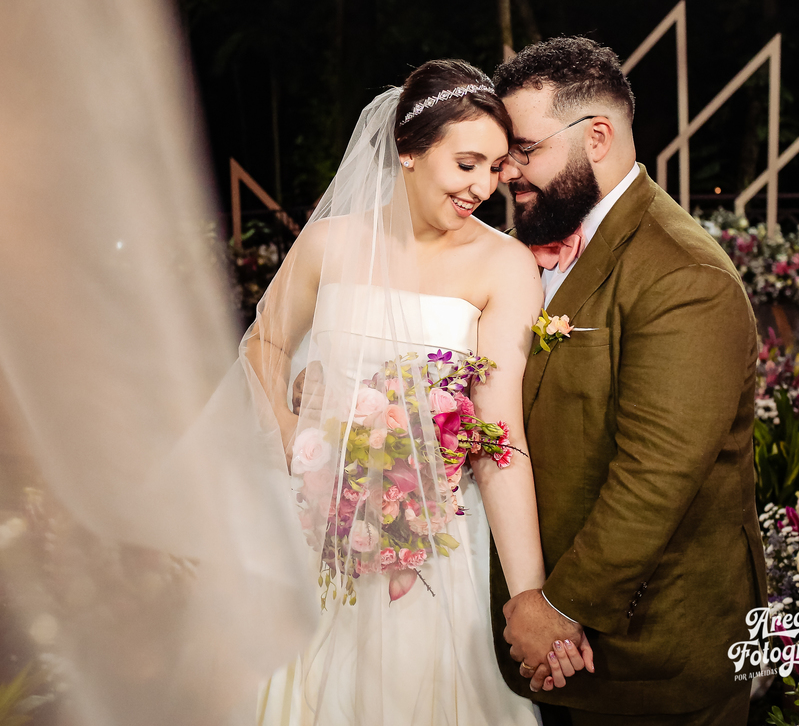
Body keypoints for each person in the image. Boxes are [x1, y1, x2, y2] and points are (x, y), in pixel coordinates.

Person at [250, 58, 589, 725]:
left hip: (432, 551)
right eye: (467, 164)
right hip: (315, 527)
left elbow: (501, 439)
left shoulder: (504, 266)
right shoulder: (327, 244)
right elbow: (262, 344)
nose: (484, 187)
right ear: (408, 150)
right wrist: (290, 436)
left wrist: (530, 595)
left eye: (495, 168)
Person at [490, 36, 766, 725]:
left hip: (653, 658)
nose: (505, 173)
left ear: (599, 137)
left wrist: (556, 609)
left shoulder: (684, 275)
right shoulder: (533, 247)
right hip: (553, 650)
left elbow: (656, 476)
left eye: (523, 149)